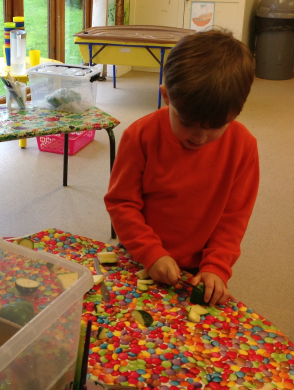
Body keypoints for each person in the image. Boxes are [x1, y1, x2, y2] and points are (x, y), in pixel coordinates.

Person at [104, 30, 259, 307]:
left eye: (214, 128)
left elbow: (234, 219)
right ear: (166, 96)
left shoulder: (243, 146)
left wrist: (216, 266)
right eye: (187, 122)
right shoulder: (140, 136)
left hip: (197, 269)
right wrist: (151, 253)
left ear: (235, 114)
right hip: (139, 256)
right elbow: (121, 203)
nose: (198, 137)